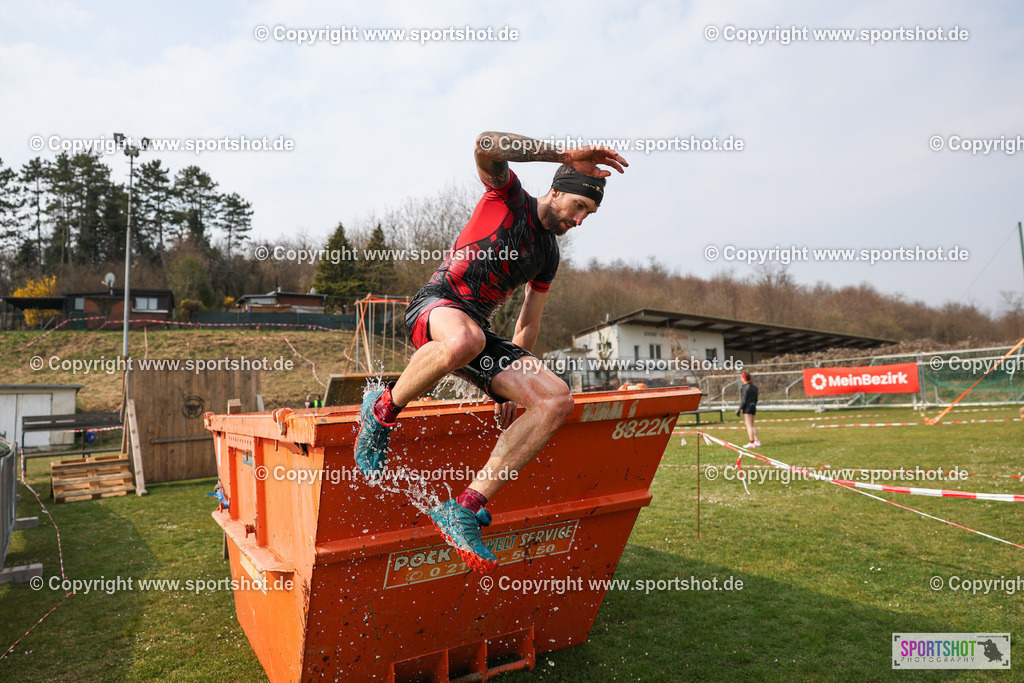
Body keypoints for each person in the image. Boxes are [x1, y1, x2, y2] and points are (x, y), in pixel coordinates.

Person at [353, 131, 627, 573]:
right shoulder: (508, 197)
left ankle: (463, 508)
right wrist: (562, 153)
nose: (580, 221)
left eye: (589, 215)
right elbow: (486, 143)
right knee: (466, 339)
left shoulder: (549, 255)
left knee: (556, 400)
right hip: (434, 307)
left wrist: (509, 393)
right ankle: (381, 410)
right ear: (556, 190)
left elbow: (527, 324)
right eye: (579, 207)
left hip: (474, 333)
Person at [737, 371, 760, 448]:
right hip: (753, 407)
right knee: (752, 425)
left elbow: (743, 400)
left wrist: (739, 409)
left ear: (744, 378)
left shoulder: (745, 387)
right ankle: (757, 441)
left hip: (747, 408)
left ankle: (752, 442)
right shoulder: (754, 387)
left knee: (748, 425)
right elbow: (756, 399)